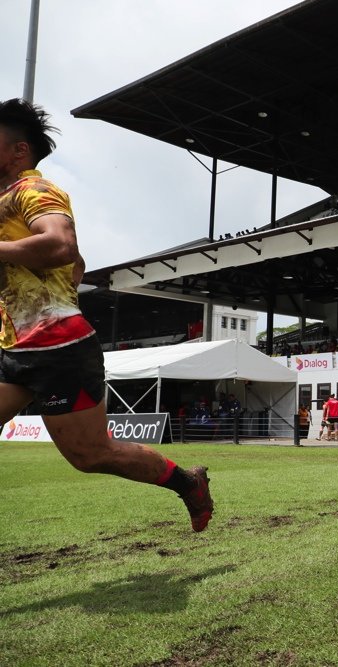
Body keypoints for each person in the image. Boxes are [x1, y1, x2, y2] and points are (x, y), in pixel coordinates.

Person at [0, 98, 213, 532]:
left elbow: (62, 246)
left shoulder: (33, 191)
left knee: (90, 455)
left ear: (19, 151)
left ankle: (187, 483)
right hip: (13, 347)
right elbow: (72, 267)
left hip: (58, 348)